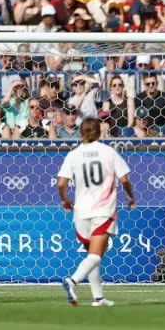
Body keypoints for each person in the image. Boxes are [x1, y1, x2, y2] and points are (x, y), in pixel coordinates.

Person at [57, 118, 136, 307]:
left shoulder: (74, 155)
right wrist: (130, 196)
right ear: (100, 132)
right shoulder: (108, 152)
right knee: (96, 255)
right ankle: (72, 281)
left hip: (81, 212)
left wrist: (65, 200)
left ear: (81, 133)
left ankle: (98, 298)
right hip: (102, 210)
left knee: (91, 256)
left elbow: (61, 183)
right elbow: (124, 179)